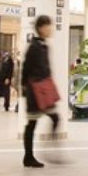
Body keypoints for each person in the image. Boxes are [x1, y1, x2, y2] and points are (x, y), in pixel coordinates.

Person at [21, 15, 60, 167]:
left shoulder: (44, 46)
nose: (50, 29)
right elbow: (26, 68)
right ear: (41, 28)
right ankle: (28, 157)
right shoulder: (34, 46)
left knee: (53, 118)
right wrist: (24, 88)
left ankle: (45, 149)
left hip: (44, 89)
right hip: (35, 91)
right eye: (48, 26)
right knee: (32, 123)